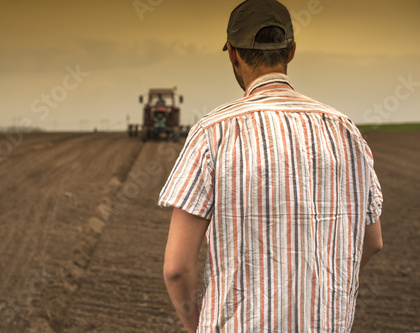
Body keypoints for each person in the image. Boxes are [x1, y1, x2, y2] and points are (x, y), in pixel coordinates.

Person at [158, 0, 383, 332]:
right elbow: (373, 241)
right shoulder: (344, 129)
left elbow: (176, 268)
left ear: (233, 53)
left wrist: (197, 326)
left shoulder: (213, 132)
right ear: (290, 51)